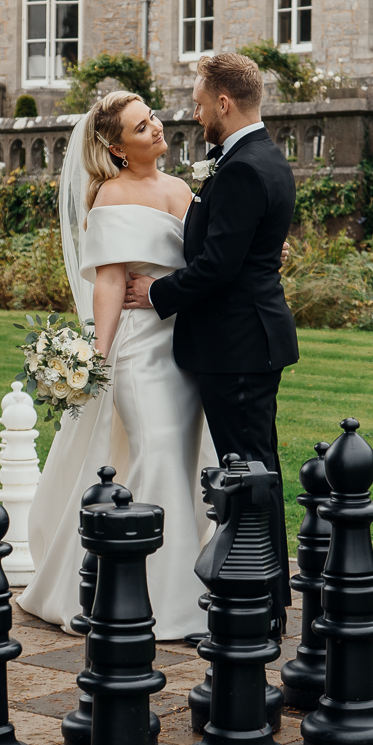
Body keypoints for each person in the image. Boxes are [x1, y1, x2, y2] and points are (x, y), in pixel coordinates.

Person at [17, 89, 217, 639]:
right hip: (137, 348)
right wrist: (97, 359)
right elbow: (109, 281)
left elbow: (209, 261)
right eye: (140, 127)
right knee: (153, 448)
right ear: (117, 147)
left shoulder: (181, 188)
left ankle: (172, 581)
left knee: (179, 456)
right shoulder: (109, 197)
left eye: (152, 117)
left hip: (185, 347)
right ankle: (163, 601)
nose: (156, 128)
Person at [121, 51, 298, 478]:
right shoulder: (265, 156)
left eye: (199, 103)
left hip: (236, 345)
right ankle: (261, 548)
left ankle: (255, 549)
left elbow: (218, 266)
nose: (194, 114)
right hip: (248, 341)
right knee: (256, 467)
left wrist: (154, 292)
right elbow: (239, 244)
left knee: (246, 473)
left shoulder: (242, 168)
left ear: (224, 104)